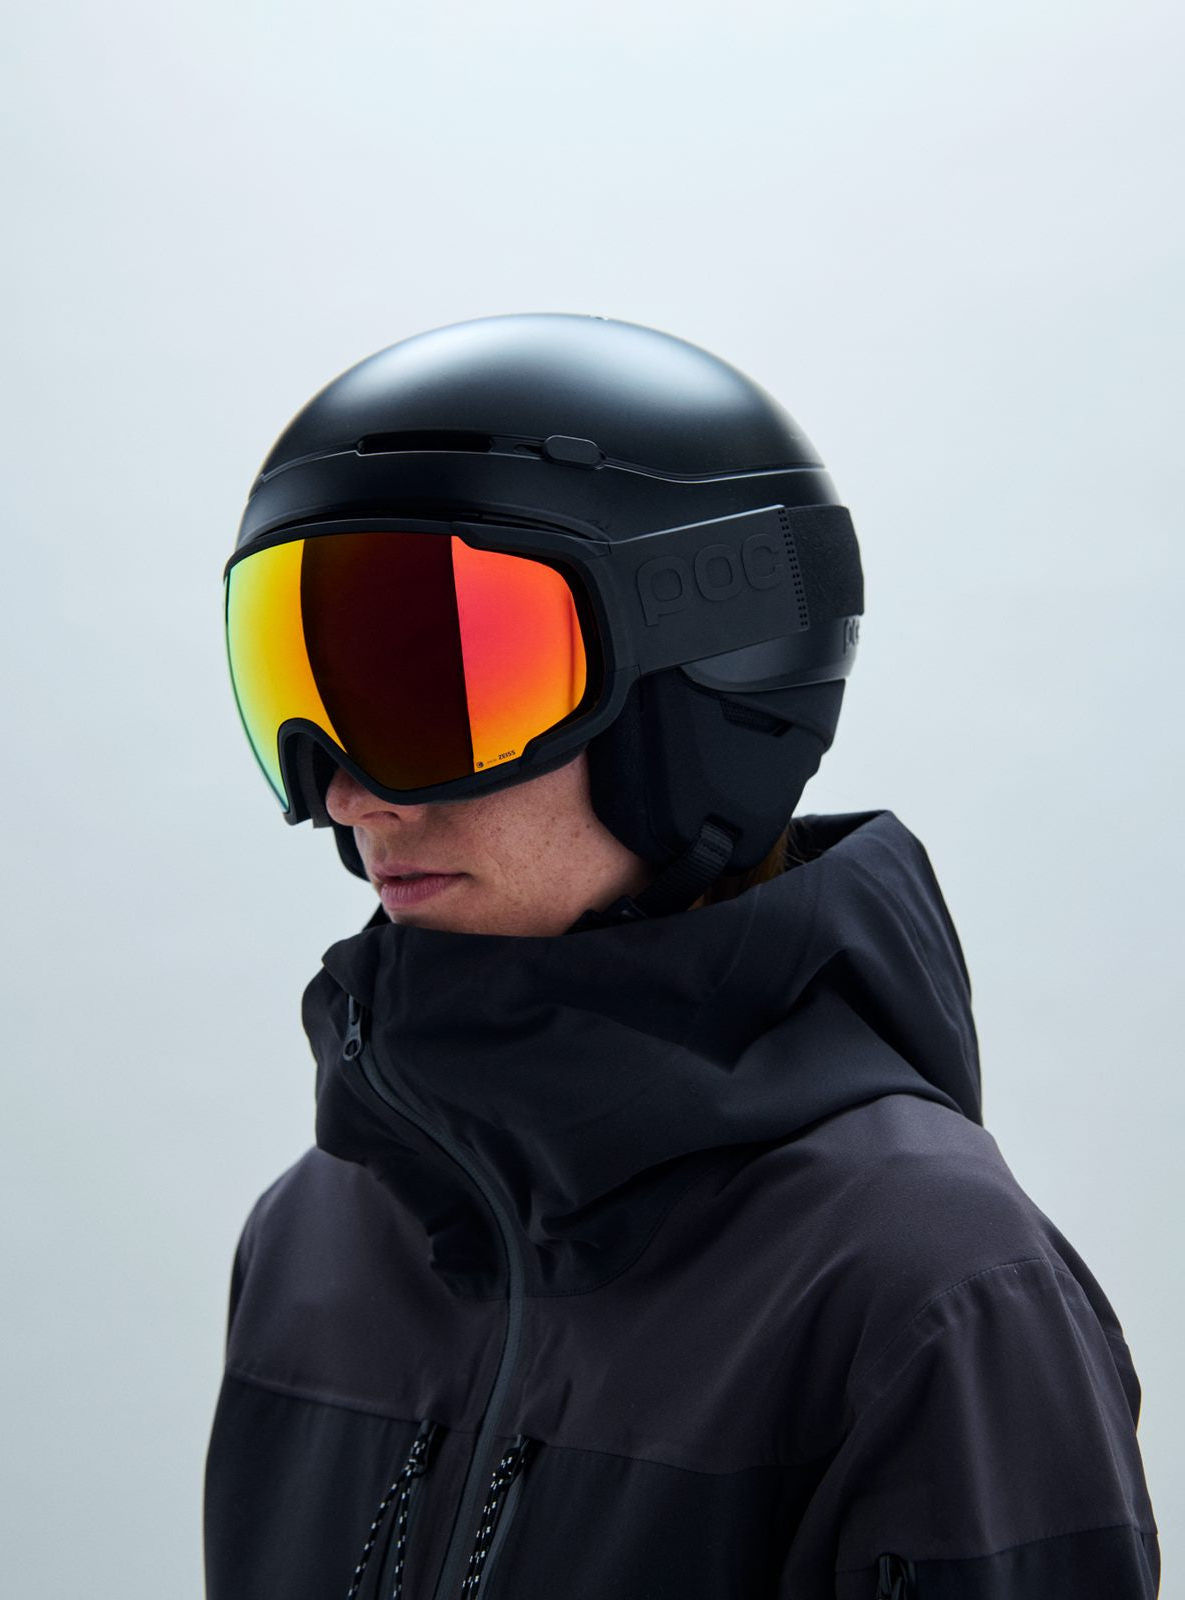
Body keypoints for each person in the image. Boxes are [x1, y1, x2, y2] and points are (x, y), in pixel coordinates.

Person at [205, 312, 1160, 1598]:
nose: (347, 792)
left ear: (692, 701)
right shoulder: (315, 1238)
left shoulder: (928, 1292)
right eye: (304, 691)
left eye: (441, 691)